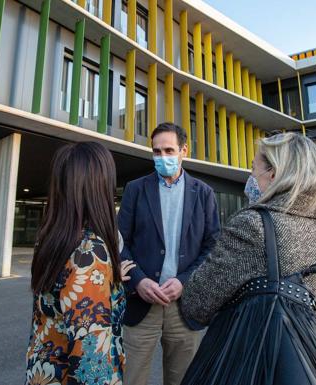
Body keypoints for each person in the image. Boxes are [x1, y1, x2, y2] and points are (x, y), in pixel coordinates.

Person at [181, 132, 316, 384]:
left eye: (253, 168)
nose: (250, 178)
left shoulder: (254, 225)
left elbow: (197, 303)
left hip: (259, 370)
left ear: (273, 174)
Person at [117, 122, 221, 385]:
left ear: (183, 150)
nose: (162, 157)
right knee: (132, 378)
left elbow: (212, 248)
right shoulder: (135, 189)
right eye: (156, 152)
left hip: (184, 307)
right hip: (141, 303)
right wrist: (138, 280)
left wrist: (184, 281)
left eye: (168, 150)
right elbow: (118, 242)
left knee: (183, 379)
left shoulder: (204, 194)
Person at [26, 142, 135, 385]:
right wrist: (100, 274)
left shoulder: (51, 237)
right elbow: (91, 360)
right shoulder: (90, 253)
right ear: (100, 187)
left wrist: (107, 277)